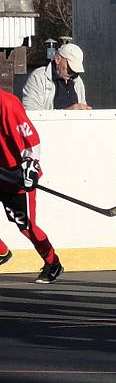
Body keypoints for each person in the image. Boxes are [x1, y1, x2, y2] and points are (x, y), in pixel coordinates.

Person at [0, 89, 64, 283]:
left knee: (26, 226)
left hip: (15, 175)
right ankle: (1, 252)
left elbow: (31, 140)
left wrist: (30, 166)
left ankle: (52, 262)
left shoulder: (7, 104)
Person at [22, 43, 91, 111]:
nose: (72, 73)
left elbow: (82, 105)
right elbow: (31, 112)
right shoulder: (38, 77)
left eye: (75, 70)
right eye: (70, 68)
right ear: (57, 59)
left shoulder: (77, 80)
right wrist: (67, 113)